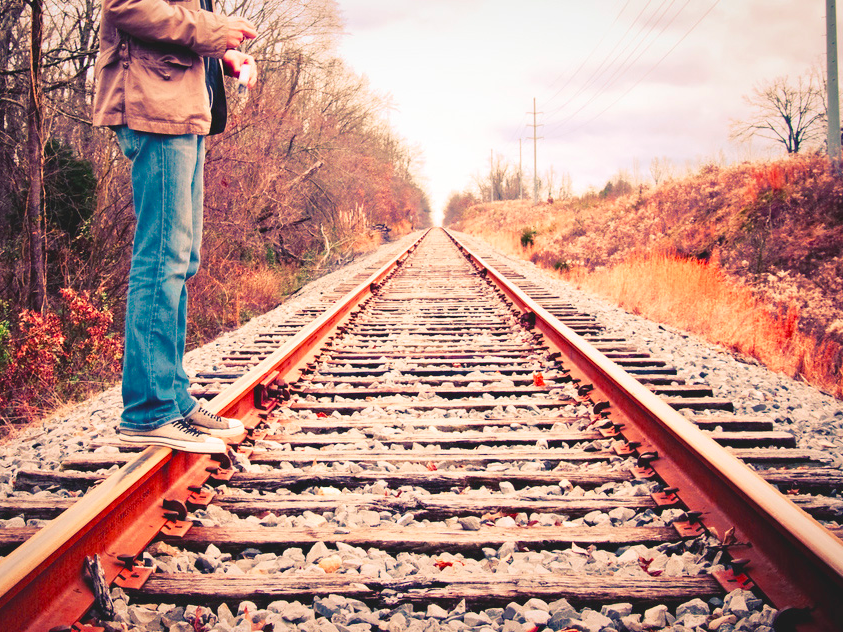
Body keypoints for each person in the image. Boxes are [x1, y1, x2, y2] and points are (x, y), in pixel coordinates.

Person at [92, 0, 258, 453]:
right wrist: (213, 30)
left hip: (182, 109)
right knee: (161, 259)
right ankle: (148, 411)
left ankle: (172, 398)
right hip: (154, 106)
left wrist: (223, 55)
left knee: (182, 260)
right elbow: (125, 7)